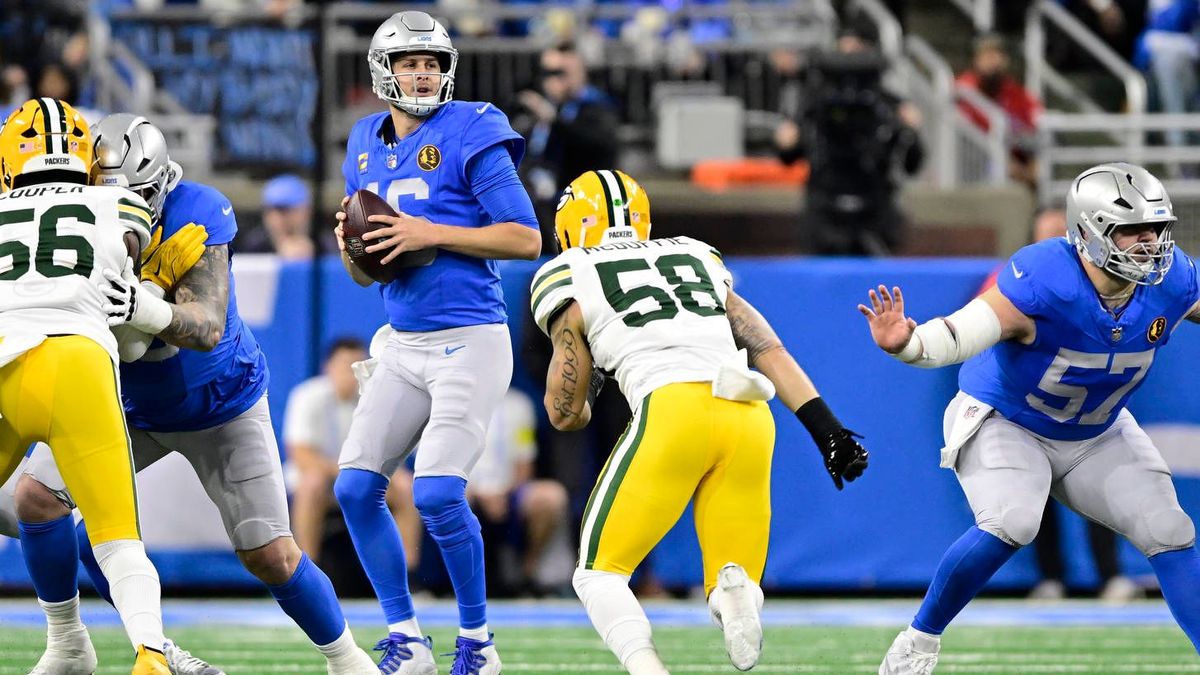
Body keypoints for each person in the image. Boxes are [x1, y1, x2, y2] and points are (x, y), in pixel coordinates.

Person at [1, 113, 378, 674]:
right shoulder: (73, 216)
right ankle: (83, 646)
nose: (126, 205)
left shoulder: (196, 210)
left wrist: (144, 306)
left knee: (268, 552)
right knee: (37, 500)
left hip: (219, 401)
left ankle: (348, 660)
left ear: (161, 180)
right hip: (127, 404)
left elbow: (205, 327)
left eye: (137, 194)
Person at [862, 163, 1200, 673]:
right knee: (1012, 520)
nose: (1150, 243)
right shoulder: (1046, 278)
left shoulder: (1172, 279)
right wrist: (910, 344)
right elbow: (959, 333)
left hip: (1096, 431)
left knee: (1169, 528)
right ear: (1090, 233)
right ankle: (918, 641)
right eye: (1132, 230)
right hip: (1007, 419)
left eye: (1156, 229)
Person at [531, 169, 870, 674]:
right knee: (732, 574)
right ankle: (736, 599)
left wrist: (588, 390)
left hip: (672, 411)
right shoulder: (694, 253)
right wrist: (830, 432)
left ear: (569, 227)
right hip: (748, 413)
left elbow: (564, 412)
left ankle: (647, 668)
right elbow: (766, 346)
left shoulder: (568, 272)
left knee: (598, 573)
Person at [331, 10, 541, 675]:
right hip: (402, 341)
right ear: (383, 72)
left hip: (469, 339)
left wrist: (432, 233)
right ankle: (408, 638)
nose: (421, 75)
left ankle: (478, 643)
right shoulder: (363, 140)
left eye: (431, 64)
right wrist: (352, 250)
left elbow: (525, 237)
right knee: (354, 489)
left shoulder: (473, 126)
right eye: (409, 64)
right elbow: (365, 274)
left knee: (437, 494)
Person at [0, 98, 169, 674]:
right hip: (79, 365)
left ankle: (71, 643)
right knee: (118, 538)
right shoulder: (120, 203)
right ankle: (151, 655)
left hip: (4, 367)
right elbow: (130, 328)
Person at [775, 24, 923, 255]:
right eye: (843, 50)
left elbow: (912, 163)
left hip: (874, 209)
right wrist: (787, 140)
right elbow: (788, 157)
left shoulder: (885, 104)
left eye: (856, 50)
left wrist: (911, 132)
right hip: (825, 209)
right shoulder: (816, 103)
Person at [284, 336, 423, 576]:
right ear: (328, 367)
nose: (350, 372)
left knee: (404, 486)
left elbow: (389, 451)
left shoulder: (376, 398)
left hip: (364, 478)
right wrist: (347, 471)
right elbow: (302, 455)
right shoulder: (306, 395)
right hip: (324, 482)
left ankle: (407, 575)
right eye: (344, 365)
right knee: (312, 483)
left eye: (357, 364)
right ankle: (307, 575)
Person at [467, 387, 569, 597]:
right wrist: (478, 491)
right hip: (466, 490)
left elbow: (525, 461)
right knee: (446, 498)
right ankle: (458, 580)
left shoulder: (520, 404)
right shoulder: (451, 398)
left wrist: (504, 492)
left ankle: (527, 577)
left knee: (551, 497)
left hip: (509, 492)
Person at [956, 34, 1042, 188]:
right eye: (987, 55)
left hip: (1013, 155)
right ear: (975, 59)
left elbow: (1032, 119)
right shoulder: (963, 89)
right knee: (1000, 163)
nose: (993, 61)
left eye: (998, 54)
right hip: (973, 160)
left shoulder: (1012, 90)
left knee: (1041, 158)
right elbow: (971, 132)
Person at [239, 173, 331, 258]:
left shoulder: (324, 243)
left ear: (306, 211)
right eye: (270, 210)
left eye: (285, 210)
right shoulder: (254, 245)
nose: (276, 219)